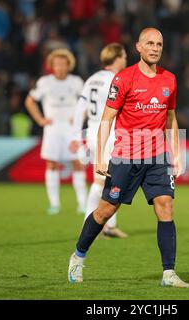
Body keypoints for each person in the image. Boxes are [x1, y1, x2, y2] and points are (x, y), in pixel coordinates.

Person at [67, 28, 189, 288]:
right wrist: (100, 157)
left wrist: (177, 153)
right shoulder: (123, 79)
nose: (155, 48)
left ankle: (169, 273)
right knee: (105, 211)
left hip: (157, 156)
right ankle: (78, 256)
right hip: (125, 156)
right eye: (150, 44)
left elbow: (170, 118)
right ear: (139, 47)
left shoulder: (169, 80)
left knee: (165, 206)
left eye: (159, 44)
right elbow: (107, 119)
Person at [70, 43, 129, 238]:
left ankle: (109, 225)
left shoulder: (92, 79)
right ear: (117, 58)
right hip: (109, 133)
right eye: (124, 56)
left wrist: (76, 136)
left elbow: (80, 109)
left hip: (93, 131)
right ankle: (88, 224)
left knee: (112, 179)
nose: (126, 59)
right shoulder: (116, 79)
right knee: (101, 180)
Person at [25, 49, 87, 215]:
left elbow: (87, 103)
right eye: (57, 64)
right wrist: (40, 120)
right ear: (51, 66)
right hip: (52, 129)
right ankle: (54, 204)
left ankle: (82, 204)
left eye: (63, 64)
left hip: (71, 129)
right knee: (51, 163)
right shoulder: (45, 82)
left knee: (77, 163)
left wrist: (79, 117)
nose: (60, 67)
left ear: (69, 65)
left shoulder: (76, 82)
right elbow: (30, 101)